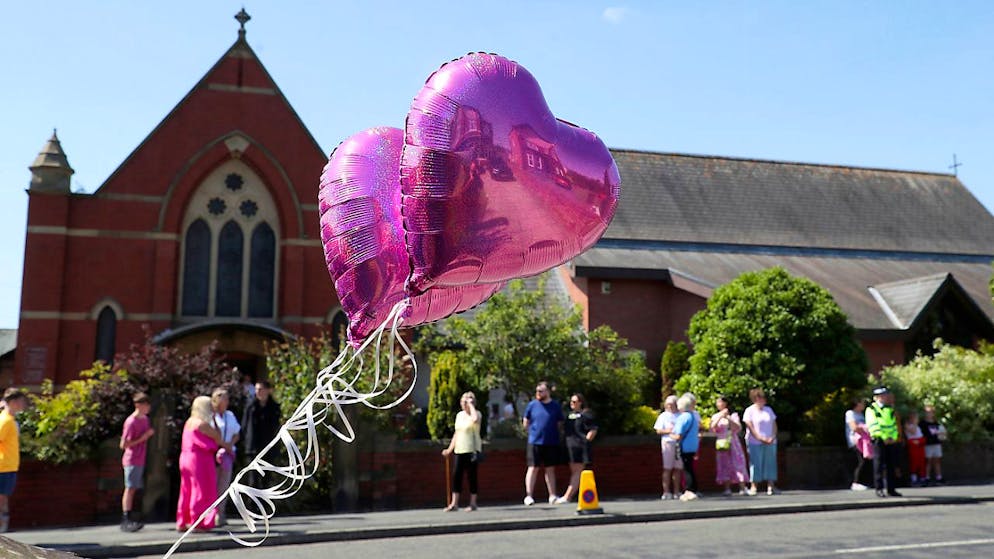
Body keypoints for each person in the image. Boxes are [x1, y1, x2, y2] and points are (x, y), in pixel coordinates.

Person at [176, 396, 227, 532]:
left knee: (186, 489)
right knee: (202, 489)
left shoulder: (189, 422)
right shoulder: (202, 424)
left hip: (185, 456)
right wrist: (215, 419)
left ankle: (183, 520)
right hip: (199, 458)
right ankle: (196, 521)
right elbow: (218, 436)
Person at [522, 381, 564, 505]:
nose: (538, 393)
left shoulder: (555, 406)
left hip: (550, 441)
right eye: (537, 391)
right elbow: (526, 421)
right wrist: (532, 433)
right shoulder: (532, 405)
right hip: (535, 441)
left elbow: (559, 423)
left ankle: (552, 495)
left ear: (547, 392)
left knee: (550, 469)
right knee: (533, 468)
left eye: (541, 391)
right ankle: (529, 496)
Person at [441, 391, 483, 512]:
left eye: (467, 401)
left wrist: (471, 406)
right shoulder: (459, 415)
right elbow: (457, 433)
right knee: (456, 476)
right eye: (463, 401)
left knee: (472, 477)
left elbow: (475, 420)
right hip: (460, 449)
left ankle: (473, 503)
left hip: (472, 449)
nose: (463, 403)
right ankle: (454, 503)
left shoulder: (477, 414)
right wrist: (449, 449)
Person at [119, 392, 154, 532]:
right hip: (131, 458)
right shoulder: (131, 421)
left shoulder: (145, 419)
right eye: (146, 405)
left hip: (140, 458)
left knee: (134, 488)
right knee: (130, 488)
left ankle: (130, 517)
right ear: (138, 405)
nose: (148, 408)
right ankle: (125, 518)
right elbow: (124, 444)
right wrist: (143, 437)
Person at [557, 393, 598, 504]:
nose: (572, 404)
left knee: (577, 472)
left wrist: (586, 440)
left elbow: (593, 429)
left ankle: (567, 496)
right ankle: (576, 494)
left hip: (579, 446)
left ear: (581, 402)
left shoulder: (586, 414)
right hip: (570, 446)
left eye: (574, 402)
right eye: (571, 401)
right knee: (575, 471)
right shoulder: (569, 415)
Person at [242, 380, 282, 487]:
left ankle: (264, 503)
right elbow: (244, 426)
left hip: (268, 448)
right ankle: (252, 504)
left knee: (266, 480)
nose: (257, 392)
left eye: (260, 389)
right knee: (252, 480)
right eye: (256, 389)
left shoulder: (274, 408)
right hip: (253, 448)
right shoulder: (250, 407)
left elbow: (276, 427)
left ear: (268, 391)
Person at [211, 387, 241, 526]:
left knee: (224, 485)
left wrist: (229, 445)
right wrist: (223, 444)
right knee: (212, 485)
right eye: (224, 398)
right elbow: (211, 435)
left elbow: (237, 432)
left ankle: (220, 514)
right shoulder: (211, 416)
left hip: (227, 454)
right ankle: (210, 515)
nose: (227, 401)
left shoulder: (230, 415)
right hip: (214, 454)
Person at [865, 386, 902, 497]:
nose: (885, 397)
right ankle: (879, 488)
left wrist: (893, 437)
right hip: (878, 440)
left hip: (890, 441)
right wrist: (883, 437)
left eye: (886, 395)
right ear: (876, 397)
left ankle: (891, 489)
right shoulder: (871, 409)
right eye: (882, 395)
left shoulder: (889, 409)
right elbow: (873, 425)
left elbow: (893, 425)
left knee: (891, 464)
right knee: (879, 464)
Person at [0, 390, 28, 533]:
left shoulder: (9, 420)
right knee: (1, 499)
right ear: (14, 402)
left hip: (8, 466)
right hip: (3, 466)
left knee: (3, 499)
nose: (23, 405)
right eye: (21, 401)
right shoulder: (5, 421)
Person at [743, 388, 779, 496]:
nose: (763, 399)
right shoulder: (749, 411)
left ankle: (771, 486)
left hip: (770, 441)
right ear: (755, 399)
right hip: (755, 441)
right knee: (755, 463)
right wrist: (760, 438)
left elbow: (774, 424)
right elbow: (749, 426)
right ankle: (754, 486)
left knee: (770, 463)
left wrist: (772, 436)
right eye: (760, 397)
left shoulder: (768, 410)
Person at [711, 396, 749, 496]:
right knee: (724, 464)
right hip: (722, 441)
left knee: (738, 463)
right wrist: (720, 416)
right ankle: (727, 488)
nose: (718, 404)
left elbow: (737, 428)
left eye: (720, 402)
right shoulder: (715, 416)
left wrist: (728, 417)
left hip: (733, 441)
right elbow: (713, 428)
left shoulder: (734, 415)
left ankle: (742, 487)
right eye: (717, 402)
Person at [669, 393, 700, 501]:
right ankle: (694, 489)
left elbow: (678, 435)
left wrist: (670, 435)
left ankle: (689, 490)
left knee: (687, 469)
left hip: (685, 446)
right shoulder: (692, 416)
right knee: (690, 468)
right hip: (693, 445)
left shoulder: (683, 417)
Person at [653, 395, 683, 500]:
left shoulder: (680, 415)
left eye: (672, 404)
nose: (670, 406)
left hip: (679, 443)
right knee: (667, 468)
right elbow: (658, 430)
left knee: (678, 469)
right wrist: (669, 431)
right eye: (668, 404)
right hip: (667, 443)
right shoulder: (663, 416)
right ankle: (666, 492)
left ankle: (676, 491)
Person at [844, 398, 872, 491]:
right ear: (857, 404)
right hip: (855, 441)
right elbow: (854, 427)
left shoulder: (861, 415)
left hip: (864, 441)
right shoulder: (850, 413)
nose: (864, 405)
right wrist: (865, 429)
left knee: (867, 460)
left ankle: (863, 482)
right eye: (862, 403)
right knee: (862, 461)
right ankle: (855, 483)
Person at [919, 405, 945, 485]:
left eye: (930, 412)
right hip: (927, 444)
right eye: (927, 412)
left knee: (937, 461)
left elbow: (941, 433)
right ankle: (927, 477)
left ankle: (939, 477)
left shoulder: (936, 423)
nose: (929, 414)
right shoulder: (922, 424)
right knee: (928, 461)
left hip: (936, 444)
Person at [904, 410, 926, 487]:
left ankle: (922, 478)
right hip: (913, 445)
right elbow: (913, 432)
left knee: (921, 462)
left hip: (920, 445)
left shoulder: (918, 426)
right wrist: (915, 424)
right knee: (914, 462)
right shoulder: (908, 425)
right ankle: (914, 478)